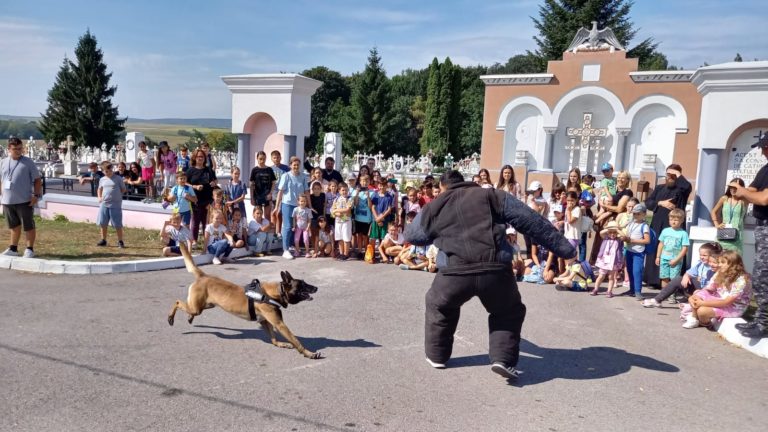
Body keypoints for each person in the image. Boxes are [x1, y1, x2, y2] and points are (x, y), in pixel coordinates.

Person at [404, 170, 576, 379]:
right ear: (467, 183)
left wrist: (439, 229)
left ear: (442, 187)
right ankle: (503, 359)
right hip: (495, 269)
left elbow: (413, 236)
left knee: (440, 305)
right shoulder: (492, 195)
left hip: (454, 272)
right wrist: (566, 250)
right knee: (507, 311)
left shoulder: (436, 205)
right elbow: (531, 221)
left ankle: (437, 356)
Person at [730, 130, 768, 337]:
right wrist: (744, 192)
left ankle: (764, 324)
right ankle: (761, 320)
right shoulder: (765, 169)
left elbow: (763, 198)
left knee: (764, 277)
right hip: (763, 227)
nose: (763, 152)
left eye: (765, 147)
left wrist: (744, 192)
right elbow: (753, 191)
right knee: (762, 276)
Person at [643, 163, 692, 287]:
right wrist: (660, 203)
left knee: (673, 250)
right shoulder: (659, 188)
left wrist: (677, 174)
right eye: (668, 174)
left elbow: (687, 186)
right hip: (658, 223)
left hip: (674, 227)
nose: (669, 176)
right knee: (656, 250)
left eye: (673, 175)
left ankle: (672, 283)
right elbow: (648, 202)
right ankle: (653, 280)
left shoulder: (681, 190)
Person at [680, 251, 752, 329]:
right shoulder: (720, 273)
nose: (719, 265)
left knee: (702, 311)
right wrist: (696, 296)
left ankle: (704, 322)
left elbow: (727, 302)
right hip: (718, 298)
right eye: (719, 262)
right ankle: (694, 319)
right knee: (694, 296)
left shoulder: (741, 280)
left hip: (733, 306)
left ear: (733, 265)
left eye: (723, 262)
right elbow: (709, 289)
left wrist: (703, 303)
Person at [642, 242, 721, 308]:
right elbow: (689, 272)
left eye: (704, 255)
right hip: (700, 288)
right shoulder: (700, 264)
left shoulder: (715, 267)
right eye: (700, 255)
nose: (702, 257)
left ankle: (692, 304)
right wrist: (686, 276)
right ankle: (657, 300)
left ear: (712, 256)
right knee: (678, 279)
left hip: (710, 292)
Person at [0, 137, 43, 258]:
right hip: (8, 201)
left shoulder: (28, 162)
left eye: (20, 148)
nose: (19, 151)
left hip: (24, 200)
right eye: (15, 149)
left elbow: (37, 180)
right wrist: (2, 195)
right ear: (9, 149)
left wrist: (36, 195)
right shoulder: (3, 162)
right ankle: (13, 248)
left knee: (28, 225)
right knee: (13, 226)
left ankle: (29, 249)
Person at [273, 156, 310, 260]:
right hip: (287, 204)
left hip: (299, 206)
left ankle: (291, 246)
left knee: (296, 227)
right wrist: (277, 206)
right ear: (290, 165)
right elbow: (280, 192)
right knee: (288, 226)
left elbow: (306, 192)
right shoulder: (286, 176)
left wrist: (310, 206)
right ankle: (285, 250)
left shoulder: (303, 176)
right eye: (294, 165)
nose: (296, 166)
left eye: (298, 165)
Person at [186, 149, 218, 245]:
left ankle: (206, 240)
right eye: (198, 156)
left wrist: (214, 183)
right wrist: (194, 186)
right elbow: (185, 183)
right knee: (195, 221)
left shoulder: (208, 169)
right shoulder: (191, 170)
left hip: (208, 199)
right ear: (194, 158)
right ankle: (194, 240)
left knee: (206, 221)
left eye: (202, 157)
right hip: (196, 199)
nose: (200, 158)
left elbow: (215, 180)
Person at [656, 208, 690, 292]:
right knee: (664, 277)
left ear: (681, 220)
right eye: (671, 219)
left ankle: (672, 295)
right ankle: (663, 293)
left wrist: (676, 260)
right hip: (664, 258)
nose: (673, 222)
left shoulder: (683, 233)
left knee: (674, 279)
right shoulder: (665, 231)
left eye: (675, 220)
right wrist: (658, 257)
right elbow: (661, 244)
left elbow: (685, 249)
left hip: (676, 260)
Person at [622, 202, 651, 299]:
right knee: (630, 271)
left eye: (638, 213)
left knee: (637, 271)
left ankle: (638, 291)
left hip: (638, 252)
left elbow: (647, 240)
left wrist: (632, 240)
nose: (636, 215)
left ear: (644, 214)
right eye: (634, 213)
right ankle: (632, 289)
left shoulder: (644, 226)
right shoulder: (630, 223)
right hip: (629, 250)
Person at [710, 178, 747, 253]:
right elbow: (713, 211)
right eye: (731, 187)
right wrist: (716, 224)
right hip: (723, 232)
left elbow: (752, 194)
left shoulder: (744, 201)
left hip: (737, 235)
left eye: (736, 188)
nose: (733, 189)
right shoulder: (724, 199)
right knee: (720, 257)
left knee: (734, 259)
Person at [95, 161, 127, 248]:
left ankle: (120, 241)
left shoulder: (118, 178)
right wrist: (99, 197)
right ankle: (103, 240)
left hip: (115, 205)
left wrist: (116, 196)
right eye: (105, 171)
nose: (108, 173)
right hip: (104, 204)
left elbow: (123, 189)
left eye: (109, 171)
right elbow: (99, 189)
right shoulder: (102, 179)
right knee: (103, 223)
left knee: (117, 224)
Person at [591, 221, 624, 297]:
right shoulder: (605, 238)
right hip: (604, 261)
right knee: (601, 276)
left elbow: (623, 235)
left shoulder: (618, 240)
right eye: (610, 232)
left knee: (611, 277)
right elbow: (601, 233)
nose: (612, 234)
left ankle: (609, 291)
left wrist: (617, 229)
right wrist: (609, 229)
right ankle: (595, 289)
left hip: (614, 262)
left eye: (614, 233)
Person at [351, 175, 373, 259]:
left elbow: (370, 206)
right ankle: (360, 251)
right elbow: (355, 204)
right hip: (358, 217)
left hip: (366, 218)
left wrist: (368, 196)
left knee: (365, 236)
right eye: (363, 181)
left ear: (369, 182)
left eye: (366, 181)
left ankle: (366, 251)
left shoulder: (372, 192)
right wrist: (357, 193)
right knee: (358, 235)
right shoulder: (356, 191)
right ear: (360, 182)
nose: (365, 183)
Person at [270, 150, 290, 240]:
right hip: (273, 193)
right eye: (274, 157)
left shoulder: (286, 168)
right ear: (272, 159)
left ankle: (278, 232)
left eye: (278, 157)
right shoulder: (270, 169)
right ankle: (273, 232)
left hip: (283, 193)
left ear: (280, 157)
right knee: (273, 213)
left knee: (279, 213)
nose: (276, 159)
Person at [332, 182, 353, 260]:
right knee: (340, 238)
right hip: (338, 221)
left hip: (346, 221)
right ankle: (341, 253)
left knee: (346, 238)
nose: (345, 192)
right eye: (343, 190)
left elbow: (347, 209)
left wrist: (337, 210)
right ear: (339, 191)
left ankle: (346, 254)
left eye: (346, 190)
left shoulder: (350, 198)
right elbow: (332, 211)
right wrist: (337, 213)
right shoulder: (336, 199)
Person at [308, 181, 326, 257]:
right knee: (313, 234)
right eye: (315, 189)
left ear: (321, 189)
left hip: (321, 217)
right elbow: (309, 207)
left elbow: (324, 206)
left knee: (321, 234)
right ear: (312, 189)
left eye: (318, 188)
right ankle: (314, 248)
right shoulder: (311, 196)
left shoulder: (323, 195)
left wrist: (324, 216)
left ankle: (320, 249)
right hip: (313, 217)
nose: (316, 190)